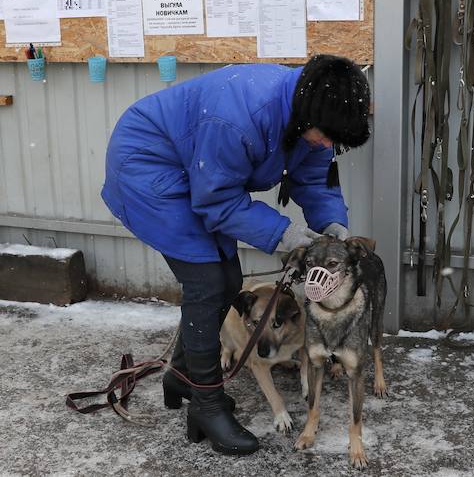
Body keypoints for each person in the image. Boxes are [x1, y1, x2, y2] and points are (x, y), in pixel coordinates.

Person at [101, 54, 370, 455]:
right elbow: (218, 200)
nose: (329, 144)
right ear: (306, 112)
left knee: (227, 281)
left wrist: (332, 227)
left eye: (336, 139)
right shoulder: (240, 115)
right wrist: (287, 234)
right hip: (146, 166)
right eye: (326, 136)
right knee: (209, 283)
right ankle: (206, 406)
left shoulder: (314, 113)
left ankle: (182, 375)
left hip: (195, 171)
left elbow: (314, 177)